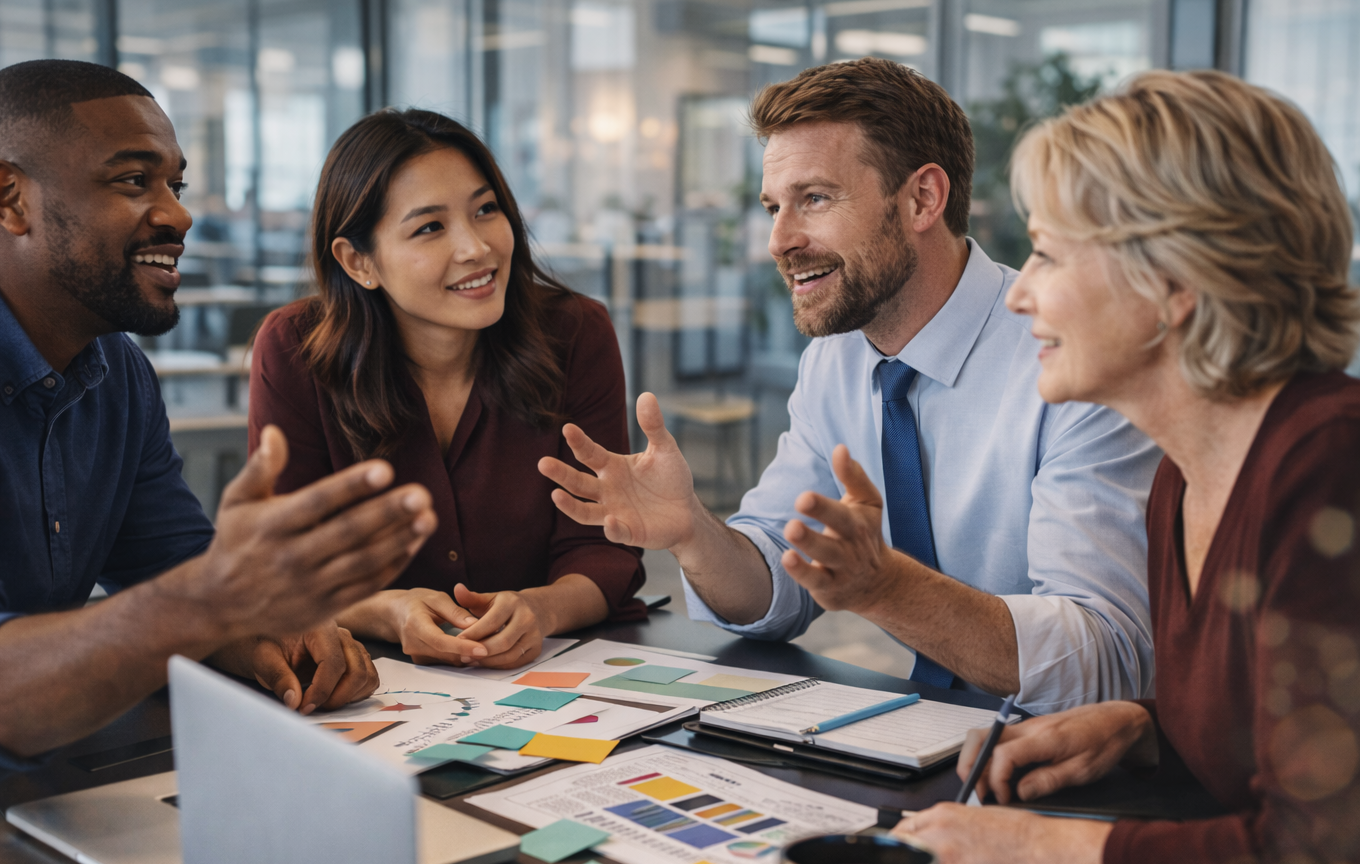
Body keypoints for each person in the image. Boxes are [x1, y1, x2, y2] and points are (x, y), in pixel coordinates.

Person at [0, 60, 437, 801]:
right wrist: (211, 601)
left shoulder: (113, 369)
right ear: (9, 197)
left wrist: (266, 631)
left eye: (175, 186)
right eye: (131, 182)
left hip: (32, 788)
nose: (178, 215)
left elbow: (168, 564)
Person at [539, 58, 1160, 712]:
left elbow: (1108, 657)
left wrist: (885, 589)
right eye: (774, 207)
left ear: (923, 198)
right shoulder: (836, 360)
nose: (779, 241)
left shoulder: (1068, 359)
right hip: (928, 745)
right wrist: (693, 532)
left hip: (1082, 766)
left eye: (815, 199)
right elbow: (776, 582)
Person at [892, 71, 1360, 863]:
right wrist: (1146, 729)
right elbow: (1295, 744)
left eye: (1046, 254)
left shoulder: (1329, 468)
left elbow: (1321, 842)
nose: (1018, 294)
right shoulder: (1183, 475)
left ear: (1173, 281)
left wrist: (1042, 849)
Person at [246, 109, 645, 669]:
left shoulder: (574, 332)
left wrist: (542, 610)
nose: (477, 248)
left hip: (553, 669)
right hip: (373, 684)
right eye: (430, 227)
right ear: (359, 261)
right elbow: (283, 565)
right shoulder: (296, 349)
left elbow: (603, 545)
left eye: (486, 210)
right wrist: (388, 611)